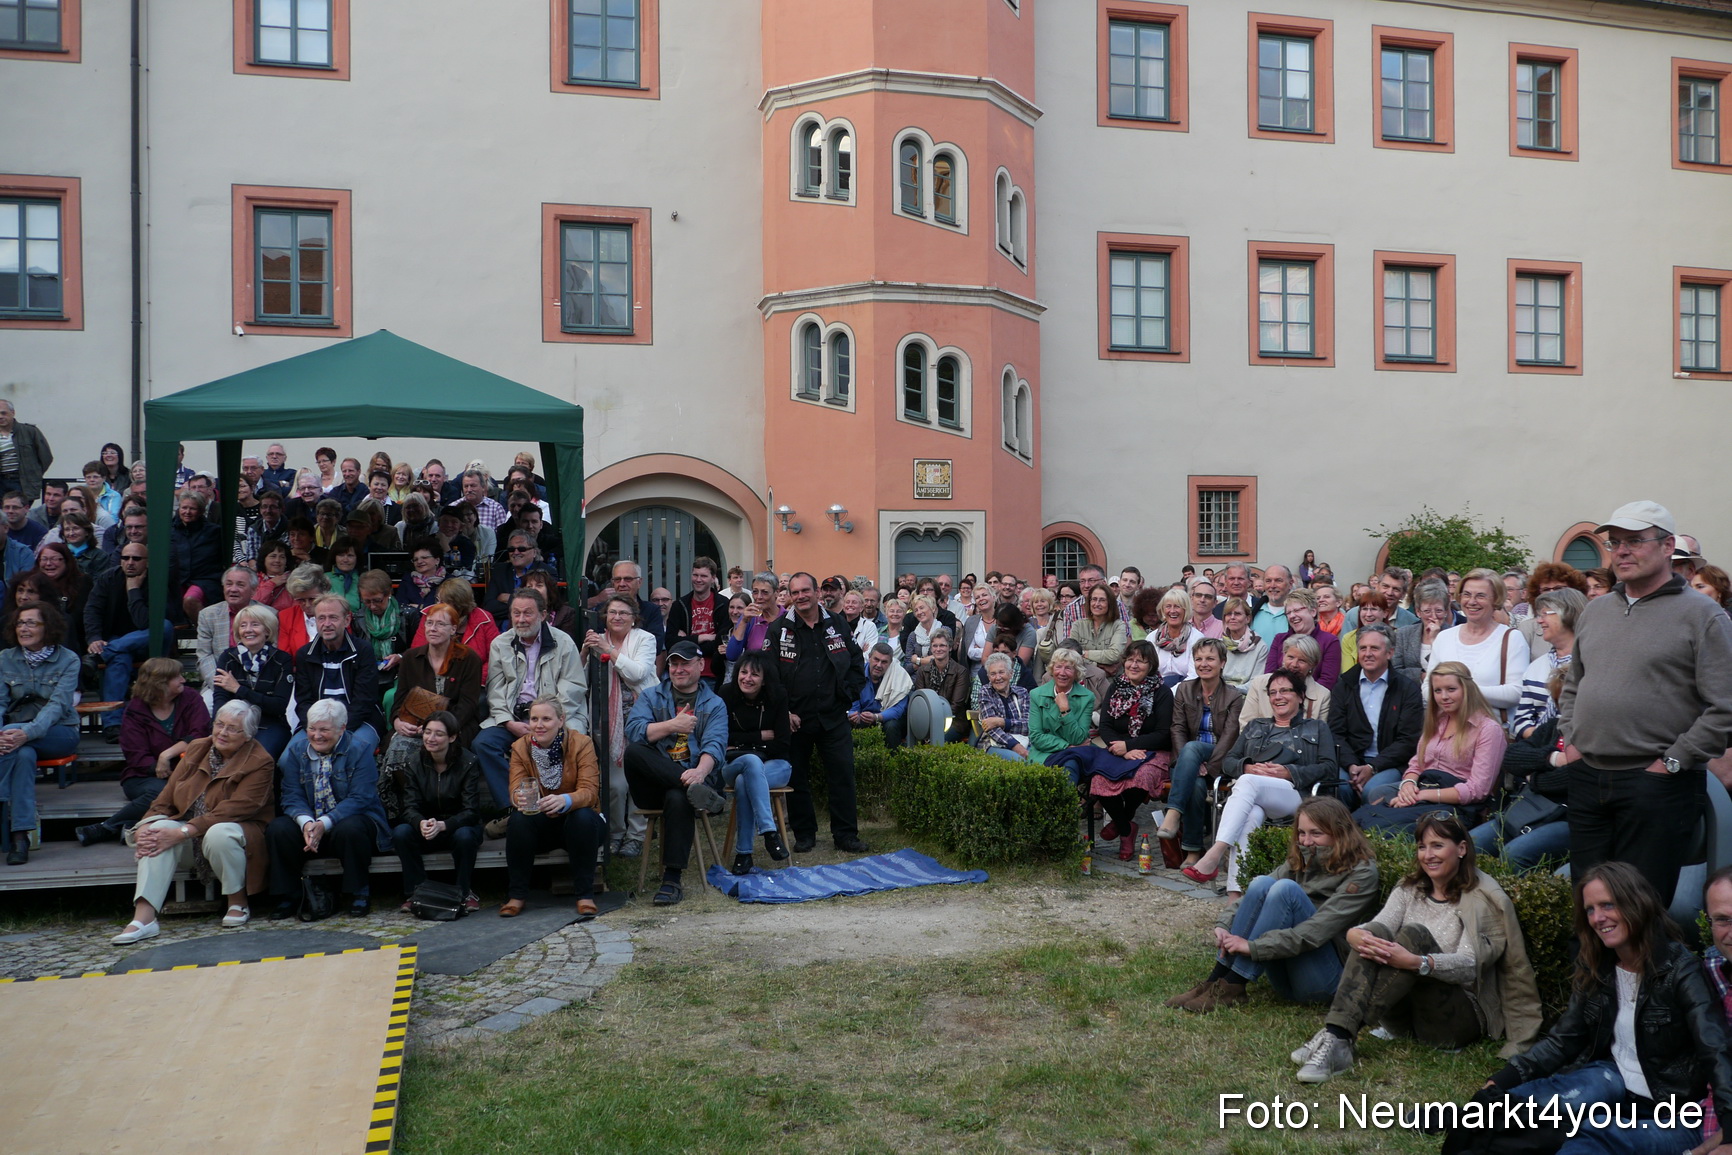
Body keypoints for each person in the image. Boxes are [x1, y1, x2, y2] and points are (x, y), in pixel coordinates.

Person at [1443, 862, 1731, 1155]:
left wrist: (1730, 1131)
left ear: (1636, 903)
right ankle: (1469, 1118)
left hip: (1668, 1108)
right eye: (1590, 910)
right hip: (1613, 1079)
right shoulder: (1599, 965)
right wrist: (1502, 1079)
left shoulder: (1681, 971)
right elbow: (1564, 1038)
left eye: (1608, 905)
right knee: (1530, 1103)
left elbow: (1715, 1051)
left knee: (1588, 1134)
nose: (1598, 918)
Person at [1561, 501, 1732, 909]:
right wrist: (1573, 740)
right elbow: (1574, 684)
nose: (1621, 550)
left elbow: (1724, 706)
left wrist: (1673, 761)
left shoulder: (1703, 615)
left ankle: (1643, 977)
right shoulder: (1596, 611)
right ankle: (1591, 976)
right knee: (1588, 907)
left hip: (1656, 783)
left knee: (1640, 911)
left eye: (1635, 541)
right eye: (1615, 542)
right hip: (1589, 777)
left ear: (1667, 546)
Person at [1291, 812, 1541, 1085]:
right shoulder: (1410, 889)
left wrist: (1419, 962)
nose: (1428, 855)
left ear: (1461, 849)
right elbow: (1380, 926)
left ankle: (1336, 1035)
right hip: (1401, 1019)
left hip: (1453, 1021)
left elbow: (1471, 964)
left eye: (1437, 845)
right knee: (1371, 934)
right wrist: (1355, 935)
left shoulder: (1481, 899)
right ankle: (1338, 1035)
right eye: (1422, 847)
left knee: (1414, 935)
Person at [1168, 796, 1380, 1014]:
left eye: (1316, 833)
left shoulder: (1362, 872)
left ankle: (1234, 983)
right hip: (1286, 976)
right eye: (1301, 832)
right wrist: (1224, 924)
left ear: (1340, 833)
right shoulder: (1304, 856)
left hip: (1324, 982)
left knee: (1285, 890)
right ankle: (1216, 980)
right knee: (1262, 883)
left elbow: (1315, 932)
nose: (1306, 841)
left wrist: (1253, 947)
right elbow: (1253, 895)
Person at [108, 701, 277, 944]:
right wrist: (146, 826)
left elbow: (237, 809)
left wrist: (185, 831)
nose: (222, 732)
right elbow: (166, 797)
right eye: (219, 724)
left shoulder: (260, 760)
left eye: (232, 728)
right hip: (190, 833)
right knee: (159, 830)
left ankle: (237, 902)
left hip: (237, 835)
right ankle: (143, 920)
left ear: (247, 735)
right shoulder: (198, 748)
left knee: (219, 833)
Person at [1185, 668, 1337, 894]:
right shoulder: (1257, 726)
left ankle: (1215, 853)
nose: (1278, 697)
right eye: (1273, 692)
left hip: (1296, 795)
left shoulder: (1315, 727)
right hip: (1254, 796)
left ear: (1300, 696)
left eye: (1285, 691)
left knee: (1247, 782)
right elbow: (1228, 762)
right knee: (1250, 815)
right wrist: (1247, 766)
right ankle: (1235, 895)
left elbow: (1329, 768)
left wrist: (1289, 772)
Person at [762, 573, 870, 854]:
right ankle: (805, 835)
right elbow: (769, 677)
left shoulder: (836, 623)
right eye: (794, 592)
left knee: (843, 776)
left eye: (805, 591)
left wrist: (849, 694)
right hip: (796, 720)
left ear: (817, 592)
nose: (800, 596)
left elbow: (856, 662)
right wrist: (783, 711)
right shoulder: (778, 629)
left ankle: (846, 835)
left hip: (833, 716)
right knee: (797, 778)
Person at [624, 640, 728, 905]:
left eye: (685, 663)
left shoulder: (714, 704)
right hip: (651, 785)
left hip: (688, 787)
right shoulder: (651, 695)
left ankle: (671, 881)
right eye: (674, 664)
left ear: (700, 665)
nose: (679, 669)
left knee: (678, 796)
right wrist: (673, 725)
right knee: (635, 752)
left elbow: (714, 746)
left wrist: (700, 774)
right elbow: (634, 730)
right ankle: (695, 791)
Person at [266, 699, 391, 918]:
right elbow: (291, 795)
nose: (316, 735)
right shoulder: (297, 751)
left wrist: (324, 823)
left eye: (324, 729)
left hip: (349, 823)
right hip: (312, 822)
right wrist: (306, 823)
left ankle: (358, 892)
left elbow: (360, 798)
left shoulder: (360, 750)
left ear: (342, 728)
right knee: (279, 829)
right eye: (311, 729)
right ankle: (290, 896)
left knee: (351, 828)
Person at [75, 657, 210, 847]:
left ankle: (109, 826)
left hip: (187, 773)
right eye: (177, 677)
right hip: (143, 776)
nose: (183, 680)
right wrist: (159, 768)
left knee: (176, 789)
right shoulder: (135, 710)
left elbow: (200, 735)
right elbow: (135, 755)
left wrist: (166, 755)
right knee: (163, 791)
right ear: (160, 683)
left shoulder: (191, 698)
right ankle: (127, 824)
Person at [475, 588, 588, 810]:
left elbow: (573, 687)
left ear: (543, 615)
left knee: (574, 740)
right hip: (514, 717)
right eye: (516, 613)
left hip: (557, 717)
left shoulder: (564, 642)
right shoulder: (501, 643)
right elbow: (495, 689)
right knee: (483, 743)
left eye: (527, 613)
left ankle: (562, 806)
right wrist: (508, 721)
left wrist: (546, 722)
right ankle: (514, 807)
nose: (521, 619)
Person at [1359, 662, 1507, 828]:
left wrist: (1423, 795)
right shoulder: (1438, 721)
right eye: (1438, 690)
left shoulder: (1488, 729)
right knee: (1364, 813)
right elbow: (1417, 764)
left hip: (1456, 801)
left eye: (1451, 689)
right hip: (1425, 786)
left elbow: (1477, 790)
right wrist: (1409, 784)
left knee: (1379, 824)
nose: (1444, 696)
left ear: (1467, 690)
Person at [498, 696, 606, 919]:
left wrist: (565, 801)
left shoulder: (581, 743)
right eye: (534, 718)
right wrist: (520, 797)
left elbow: (590, 791)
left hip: (579, 820)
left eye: (546, 719)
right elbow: (515, 789)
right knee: (518, 820)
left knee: (583, 817)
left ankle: (585, 895)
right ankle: (516, 896)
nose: (539, 725)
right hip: (542, 818)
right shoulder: (520, 747)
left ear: (561, 720)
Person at [1068, 640, 1173, 860]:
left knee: (1141, 777)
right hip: (1118, 748)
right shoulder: (1116, 686)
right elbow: (1105, 725)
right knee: (1099, 780)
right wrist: (1122, 749)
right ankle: (1126, 829)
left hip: (1151, 749)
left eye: (1141, 661)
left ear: (1151, 665)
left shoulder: (1161, 692)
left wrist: (1131, 746)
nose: (1134, 665)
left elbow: (1163, 733)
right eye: (1130, 660)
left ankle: (1121, 822)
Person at [0, 604, 79, 864]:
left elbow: (57, 706)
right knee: (22, 755)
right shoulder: (5, 659)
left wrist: (25, 732)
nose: (24, 628)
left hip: (59, 734)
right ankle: (20, 837)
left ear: (49, 627)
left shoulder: (68, 660)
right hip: (14, 739)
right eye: (20, 623)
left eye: (32, 623)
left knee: (15, 739)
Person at [581, 593, 657, 856]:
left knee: (637, 780)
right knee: (614, 785)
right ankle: (614, 833)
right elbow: (581, 682)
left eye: (623, 613)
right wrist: (585, 652)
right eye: (612, 612)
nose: (617, 617)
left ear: (634, 618)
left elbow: (638, 673)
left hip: (641, 720)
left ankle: (636, 835)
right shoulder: (597, 641)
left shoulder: (645, 639)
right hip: (606, 722)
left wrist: (608, 651)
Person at [1161, 638, 1246, 868]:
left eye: (1210, 658)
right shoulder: (1185, 690)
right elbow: (1177, 728)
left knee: (1193, 747)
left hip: (1218, 759)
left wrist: (1208, 766)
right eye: (1198, 659)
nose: (1203, 663)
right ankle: (1193, 850)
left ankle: (1173, 812)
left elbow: (1229, 738)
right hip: (1189, 761)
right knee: (1196, 785)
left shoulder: (1234, 696)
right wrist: (1189, 762)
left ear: (1222, 663)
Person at [1328, 623, 1423, 805]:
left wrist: (1373, 767)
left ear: (1390, 653)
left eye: (1375, 648)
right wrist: (1352, 766)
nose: (1368, 653)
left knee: (1372, 791)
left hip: (1390, 763)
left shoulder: (1407, 689)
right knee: (1339, 785)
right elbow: (1335, 732)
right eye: (1363, 648)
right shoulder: (1344, 685)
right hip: (1351, 761)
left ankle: (1370, 832)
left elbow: (1408, 739)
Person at [718, 652, 793, 874]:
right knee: (749, 762)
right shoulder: (726, 694)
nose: (747, 678)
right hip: (733, 765)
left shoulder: (777, 695)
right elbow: (722, 737)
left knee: (745, 781)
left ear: (765, 679)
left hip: (775, 765)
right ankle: (770, 832)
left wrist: (741, 744)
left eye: (754, 674)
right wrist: (759, 738)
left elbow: (783, 743)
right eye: (743, 672)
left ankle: (744, 854)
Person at [83, 538, 160, 737]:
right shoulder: (108, 578)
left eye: (136, 558)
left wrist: (133, 590)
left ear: (147, 561)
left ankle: (103, 653)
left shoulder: (157, 580)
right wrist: (94, 638)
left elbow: (146, 623)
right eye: (125, 558)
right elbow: (92, 610)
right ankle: (112, 725)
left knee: (164, 627)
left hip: (151, 642)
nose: (130, 562)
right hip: (119, 642)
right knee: (119, 658)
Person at [1431, 568, 1529, 719]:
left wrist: (1464, 691)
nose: (1471, 602)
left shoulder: (1511, 638)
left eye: (1480, 596)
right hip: (1446, 730)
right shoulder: (1444, 637)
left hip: (1491, 732)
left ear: (1495, 599)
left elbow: (1517, 692)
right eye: (1467, 594)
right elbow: (1427, 687)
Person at [292, 594, 385, 750]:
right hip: (316, 724)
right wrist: (319, 730)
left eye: (333, 618)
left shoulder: (362, 650)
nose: (327, 624)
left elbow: (364, 700)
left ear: (347, 620)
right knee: (288, 759)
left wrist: (338, 731)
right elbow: (303, 701)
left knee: (352, 752)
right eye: (321, 618)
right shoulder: (305, 654)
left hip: (358, 721)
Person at [392, 602, 485, 748]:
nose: (433, 629)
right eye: (429, 623)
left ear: (453, 629)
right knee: (400, 747)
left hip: (455, 725)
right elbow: (400, 698)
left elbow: (467, 705)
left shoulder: (469, 659)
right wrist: (397, 721)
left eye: (440, 624)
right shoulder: (410, 658)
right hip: (415, 723)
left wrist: (435, 729)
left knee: (442, 746)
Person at [210, 603, 294, 760]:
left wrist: (238, 689)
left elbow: (279, 705)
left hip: (269, 724)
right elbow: (220, 699)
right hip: (234, 723)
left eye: (255, 624)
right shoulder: (228, 658)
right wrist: (224, 726)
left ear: (267, 630)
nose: (248, 630)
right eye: (243, 625)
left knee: (259, 758)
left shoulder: (282, 660)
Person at [1510, 587, 1586, 739]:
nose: (1539, 620)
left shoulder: (1590, 663)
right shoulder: (1537, 666)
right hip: (1540, 751)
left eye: (1545, 614)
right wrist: (1543, 740)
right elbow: (1521, 719)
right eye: (1539, 615)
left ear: (1568, 614)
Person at [195, 566, 258, 706]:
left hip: (256, 684)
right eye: (229, 584)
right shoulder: (208, 615)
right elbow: (204, 656)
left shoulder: (268, 614)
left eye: (240, 585)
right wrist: (222, 685)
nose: (233, 589)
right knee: (207, 705)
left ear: (253, 590)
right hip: (218, 682)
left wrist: (243, 688)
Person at [665, 556, 732, 685]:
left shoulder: (724, 605)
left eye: (703, 576)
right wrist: (702, 637)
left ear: (713, 578)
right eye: (695, 575)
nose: (698, 580)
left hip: (713, 674)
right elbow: (670, 642)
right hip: (684, 674)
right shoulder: (679, 605)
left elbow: (720, 644)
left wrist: (686, 641)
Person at [1239, 635, 1331, 723]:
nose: (1294, 664)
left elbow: (1320, 733)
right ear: (1283, 656)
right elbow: (1246, 724)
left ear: (1313, 664)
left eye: (1302, 660)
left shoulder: (1322, 695)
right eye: (1290, 657)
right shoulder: (1259, 684)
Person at [1263, 589, 1342, 689]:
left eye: (1297, 610)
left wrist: (1299, 697)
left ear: (1313, 612)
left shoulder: (1330, 641)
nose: (1292, 616)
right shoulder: (1280, 639)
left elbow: (1327, 680)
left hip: (1314, 699)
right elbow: (1269, 674)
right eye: (1288, 613)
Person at [1028, 650, 1096, 765]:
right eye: (1058, 667)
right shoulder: (1036, 694)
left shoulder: (1087, 697)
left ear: (1076, 673)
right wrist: (1067, 746)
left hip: (1077, 753)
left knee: (1072, 763)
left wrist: (1065, 710)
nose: (1062, 673)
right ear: (1052, 669)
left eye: (1068, 668)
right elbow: (1036, 736)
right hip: (1045, 753)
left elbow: (1078, 739)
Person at [1391, 579, 1454, 683]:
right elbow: (1395, 669)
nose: (1433, 616)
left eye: (1438, 611)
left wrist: (1434, 640)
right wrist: (1421, 675)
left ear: (1446, 611)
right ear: (1418, 612)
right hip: (1410, 694)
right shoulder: (1404, 634)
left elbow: (1452, 670)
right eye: (1427, 611)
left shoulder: (1454, 635)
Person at [850, 642, 913, 743]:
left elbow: (898, 710)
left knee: (891, 726)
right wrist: (853, 715)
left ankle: (892, 758)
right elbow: (853, 703)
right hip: (863, 717)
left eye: (884, 662)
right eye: (876, 659)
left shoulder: (899, 677)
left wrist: (877, 717)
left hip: (886, 718)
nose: (879, 665)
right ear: (869, 657)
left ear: (890, 663)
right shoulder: (857, 674)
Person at [974, 651, 1032, 761]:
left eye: (1001, 672)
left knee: (1042, 761)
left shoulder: (1022, 692)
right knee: (1019, 761)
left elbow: (1028, 725)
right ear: (988, 677)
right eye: (993, 674)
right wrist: (1015, 746)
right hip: (994, 743)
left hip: (1025, 741)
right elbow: (992, 729)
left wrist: (1003, 722)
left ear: (1010, 674)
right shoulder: (985, 692)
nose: (998, 677)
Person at [1065, 584, 1129, 676]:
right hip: (1083, 678)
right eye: (1094, 599)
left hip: (1110, 681)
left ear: (1110, 603)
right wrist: (1098, 666)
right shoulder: (1078, 626)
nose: (1097, 604)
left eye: (1102, 600)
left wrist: (1083, 653)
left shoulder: (1118, 625)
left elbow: (1114, 655)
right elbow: (1071, 656)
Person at [1146, 586, 1204, 685]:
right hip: (1156, 692)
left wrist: (1170, 694)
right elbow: (1146, 672)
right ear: (1163, 610)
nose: (1172, 611)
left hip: (1186, 693)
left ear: (1186, 610)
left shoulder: (1197, 639)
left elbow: (1195, 676)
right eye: (1168, 606)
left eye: (1177, 606)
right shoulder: (1152, 638)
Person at [0, 400, 53, 501]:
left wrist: (34, 476)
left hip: (23, 482)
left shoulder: (30, 431)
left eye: (3, 413)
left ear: (13, 412)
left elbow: (46, 457)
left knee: (20, 512)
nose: (0, 416)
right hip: (2, 481)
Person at [1217, 596, 1269, 690]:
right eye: (1228, 614)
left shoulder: (1260, 646)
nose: (1232, 617)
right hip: (1220, 694)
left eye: (1237, 614)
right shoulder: (1219, 645)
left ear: (1248, 619)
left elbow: (1256, 682)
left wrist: (1231, 690)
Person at [1336, 590, 1389, 670]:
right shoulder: (1349, 638)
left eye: (1374, 609)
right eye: (1364, 609)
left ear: (1385, 613)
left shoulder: (1396, 637)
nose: (1368, 614)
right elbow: (1347, 673)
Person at [254, 539, 295, 615]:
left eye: (282, 557)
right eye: (273, 556)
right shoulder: (254, 580)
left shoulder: (294, 581)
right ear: (264, 560)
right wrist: (272, 584)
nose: (277, 560)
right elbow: (252, 605)